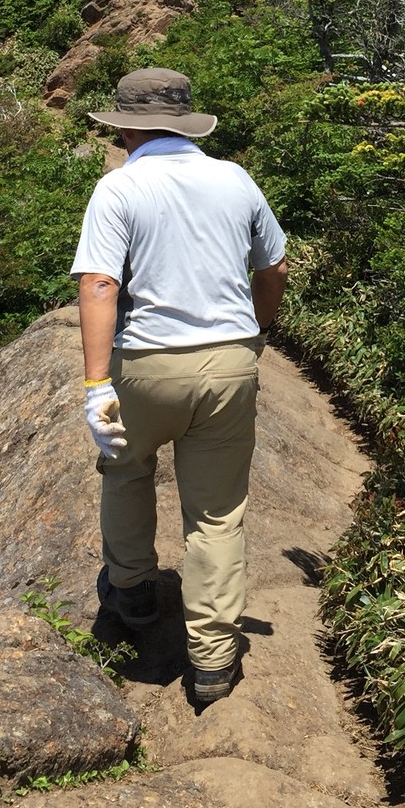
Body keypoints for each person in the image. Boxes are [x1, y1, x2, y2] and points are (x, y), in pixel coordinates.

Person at [72, 68, 288, 704]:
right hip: (229, 365)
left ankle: (134, 595)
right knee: (217, 513)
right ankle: (214, 660)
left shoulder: (119, 189)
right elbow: (273, 266)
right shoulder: (234, 178)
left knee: (128, 468)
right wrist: (255, 333)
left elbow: (99, 284)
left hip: (147, 364)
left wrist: (94, 385)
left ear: (129, 127)